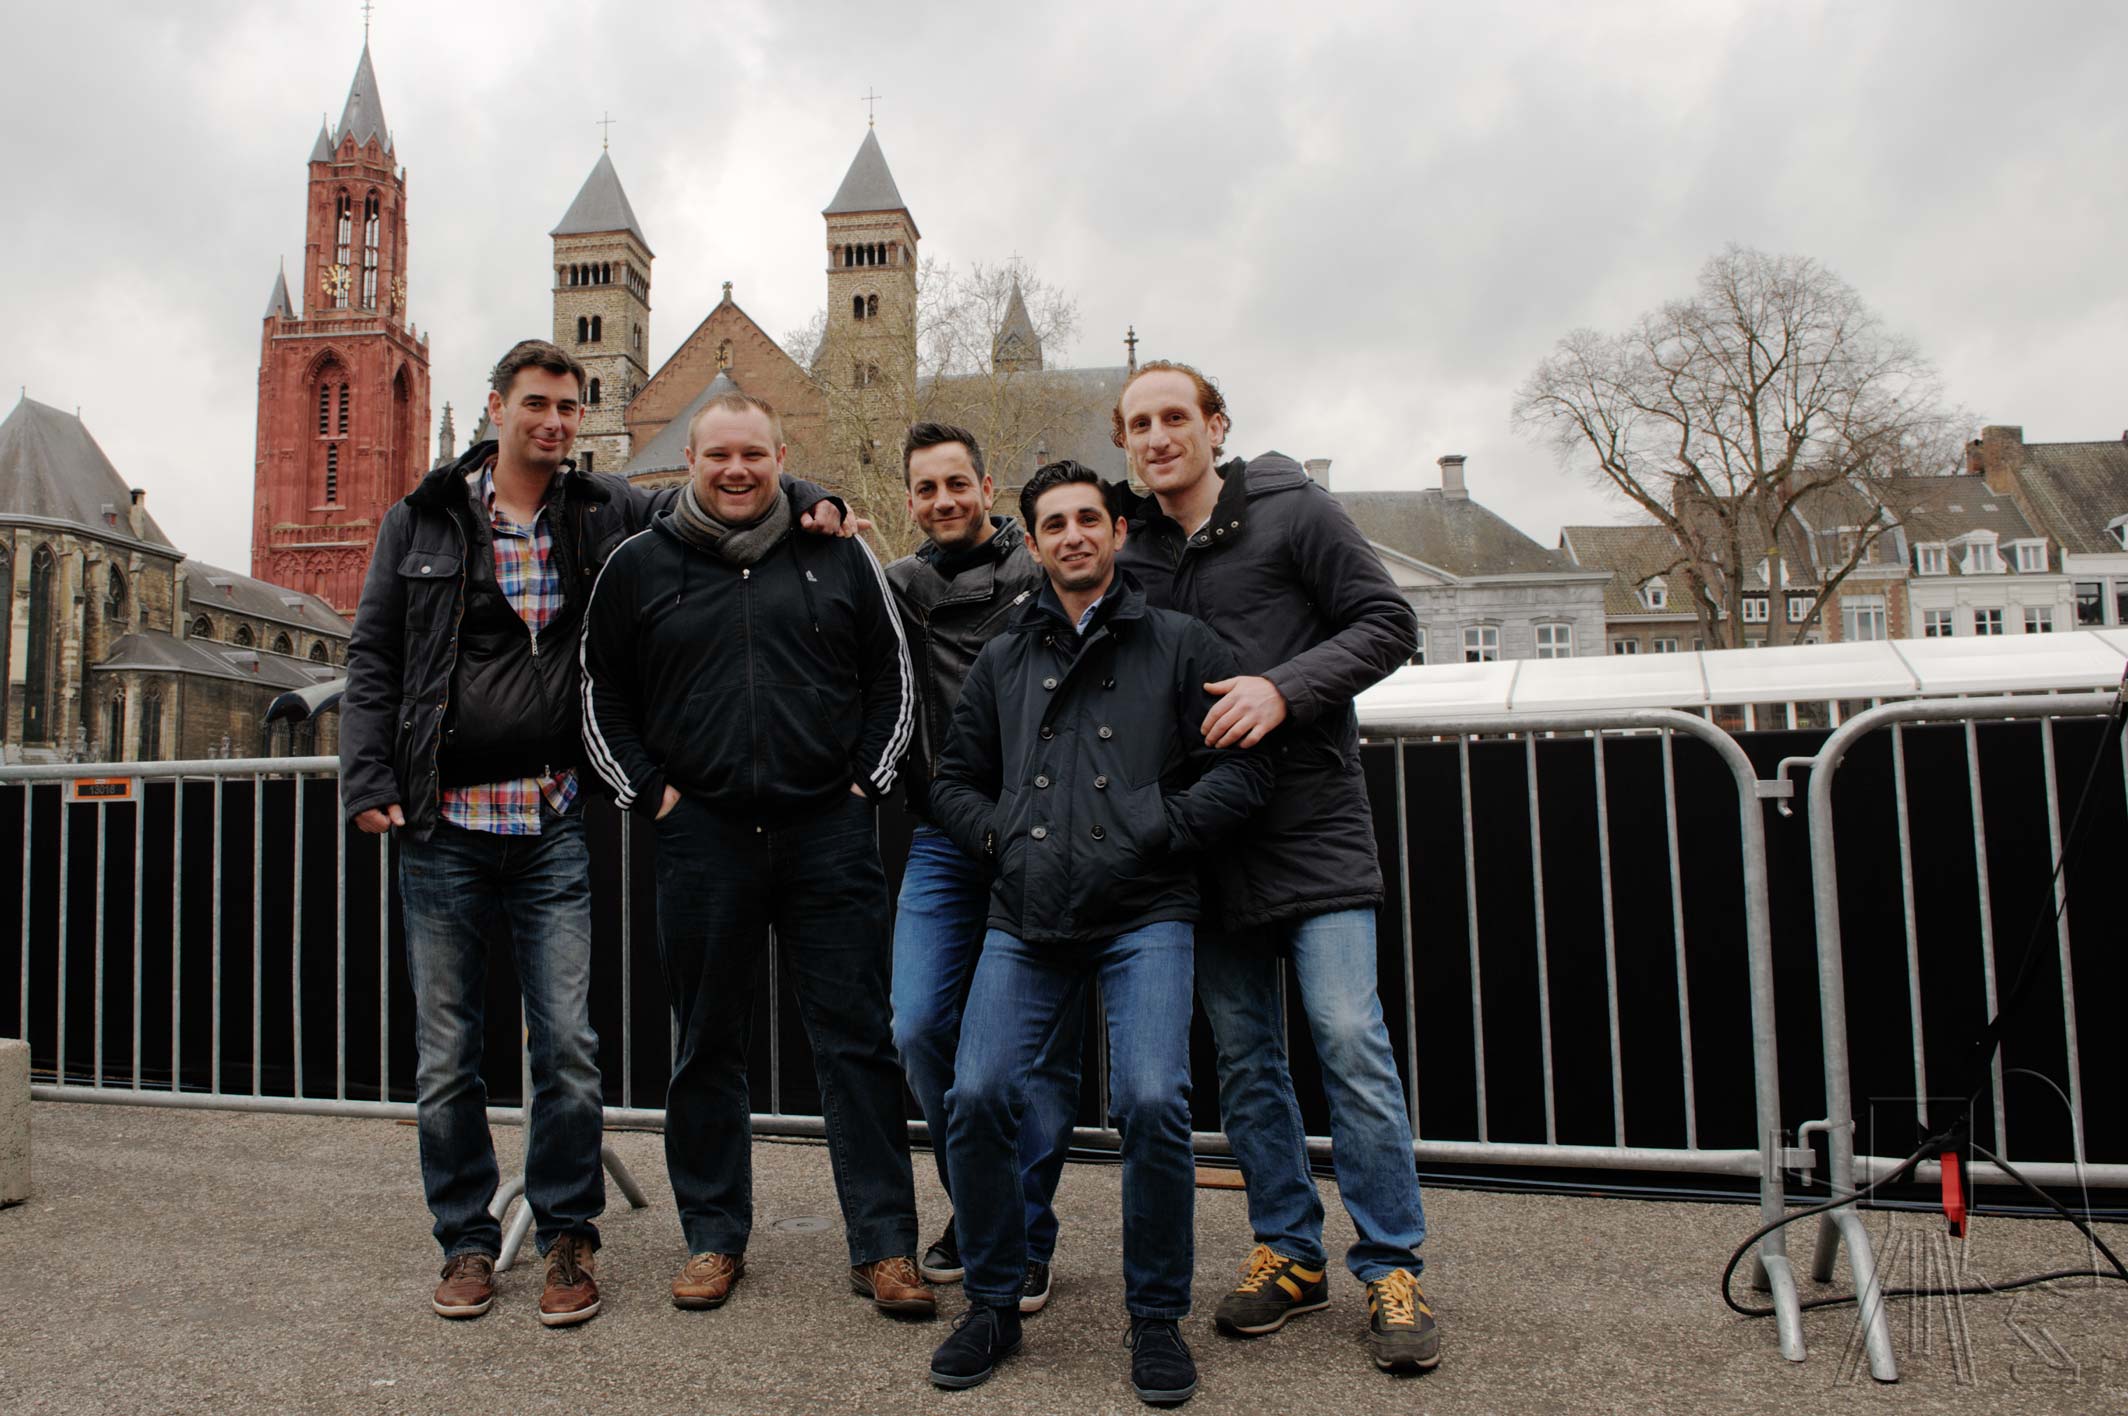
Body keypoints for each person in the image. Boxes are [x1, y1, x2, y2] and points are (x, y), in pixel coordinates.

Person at [340, 339, 845, 1328]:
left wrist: (811, 491)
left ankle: (568, 1231)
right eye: (536, 403)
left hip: (552, 819)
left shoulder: (601, 507)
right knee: (446, 1052)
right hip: (444, 824)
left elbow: (712, 491)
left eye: (569, 407)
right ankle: (466, 1239)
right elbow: (375, 655)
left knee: (567, 1044)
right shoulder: (423, 517)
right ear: (497, 407)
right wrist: (365, 774)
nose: (554, 422)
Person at [1110, 361, 1440, 1373]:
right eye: (1138, 424)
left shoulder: (1296, 513)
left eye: (1175, 417)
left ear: (1215, 426)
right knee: (1247, 1060)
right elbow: (1037, 557)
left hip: (1313, 828)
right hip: (1208, 843)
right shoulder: (1131, 549)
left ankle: (1392, 1265)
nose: (1158, 437)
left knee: (1347, 1039)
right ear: (1124, 442)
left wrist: (1282, 689)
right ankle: (1289, 1253)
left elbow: (1389, 624)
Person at [924, 461, 1274, 1406]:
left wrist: (1156, 828)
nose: (1073, 535)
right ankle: (994, 1300)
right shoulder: (1004, 656)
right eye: (1054, 524)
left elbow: (1244, 772)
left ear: (1118, 532)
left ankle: (1155, 1317)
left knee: (1155, 1102)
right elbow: (952, 781)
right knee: (976, 1094)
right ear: (1034, 543)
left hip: (1145, 909)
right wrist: (999, 837)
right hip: (1026, 910)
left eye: (1089, 519)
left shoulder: (1181, 642)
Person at [578, 389, 931, 1318]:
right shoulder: (637, 565)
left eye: (754, 455)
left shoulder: (839, 552)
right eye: (718, 455)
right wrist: (654, 795)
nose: (736, 470)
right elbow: (600, 694)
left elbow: (893, 681)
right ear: (689, 462)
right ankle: (712, 1237)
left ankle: (886, 1245)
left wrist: (865, 786)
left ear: (782, 459)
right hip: (704, 838)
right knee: (706, 1044)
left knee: (857, 1042)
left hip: (828, 834)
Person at [882, 422, 1082, 1313]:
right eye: (927, 489)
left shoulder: (1041, 574)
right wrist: (818, 503)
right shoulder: (898, 586)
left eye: (957, 484)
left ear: (987, 488)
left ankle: (1021, 1233)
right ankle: (984, 1203)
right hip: (943, 834)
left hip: (1043, 836)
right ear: (909, 501)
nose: (944, 501)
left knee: (1035, 1054)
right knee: (920, 1024)